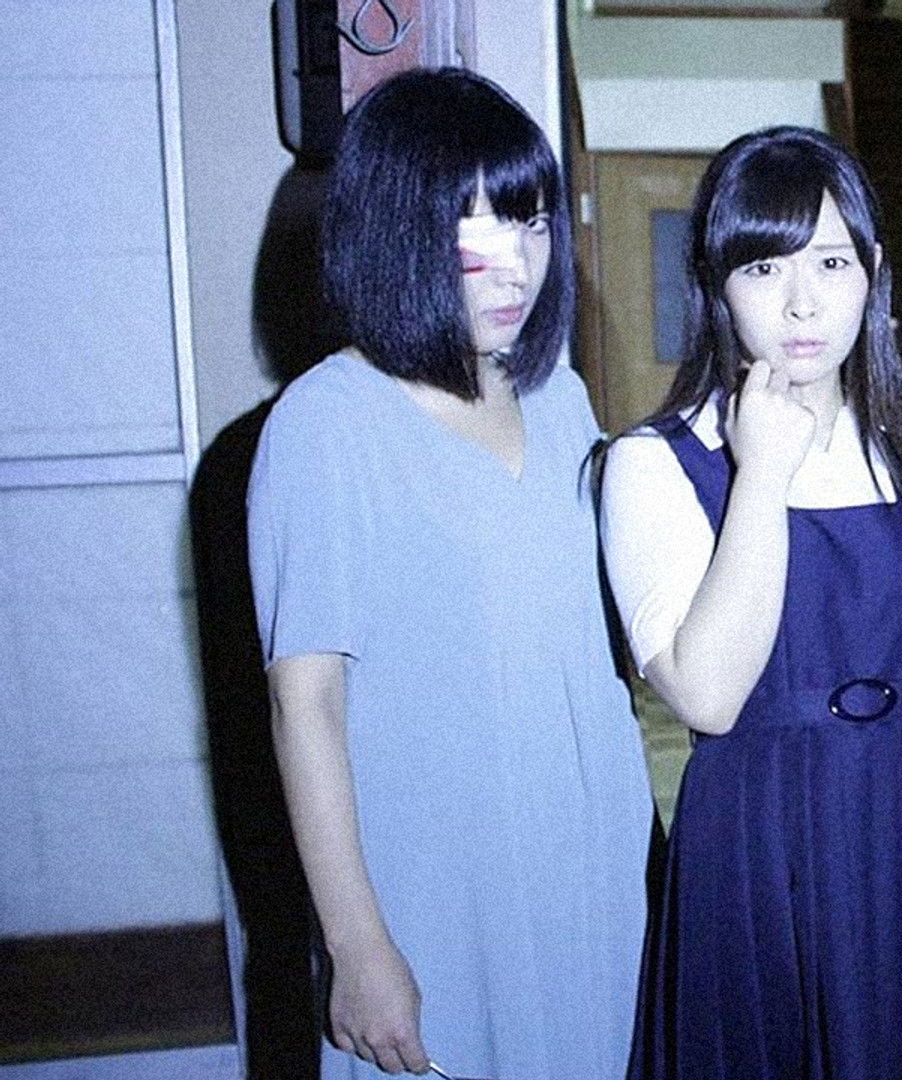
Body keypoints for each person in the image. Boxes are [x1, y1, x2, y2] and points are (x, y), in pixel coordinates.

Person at [599, 125, 902, 1080]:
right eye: (764, 268)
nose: (803, 303)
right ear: (716, 284)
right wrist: (762, 475)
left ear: (872, 274)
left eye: (832, 263)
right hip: (758, 846)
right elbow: (708, 696)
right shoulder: (651, 464)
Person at [247, 68, 652, 1078]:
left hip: (588, 863)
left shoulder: (558, 398)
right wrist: (356, 946)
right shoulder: (325, 424)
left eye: (531, 223)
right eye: (476, 231)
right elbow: (306, 706)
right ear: (397, 234)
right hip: (434, 888)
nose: (515, 267)